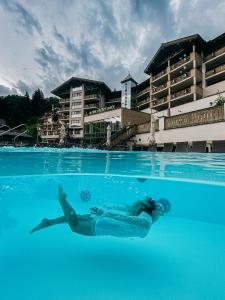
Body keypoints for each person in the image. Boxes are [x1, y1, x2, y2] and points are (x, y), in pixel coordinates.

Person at [30, 185, 171, 238]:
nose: (161, 213)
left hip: (106, 220)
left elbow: (123, 211)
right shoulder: (146, 221)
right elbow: (128, 220)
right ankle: (62, 200)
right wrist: (105, 213)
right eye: (161, 210)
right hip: (104, 225)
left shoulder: (142, 212)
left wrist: (105, 209)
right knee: (75, 226)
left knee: (76, 218)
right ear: (155, 210)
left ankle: (49, 222)